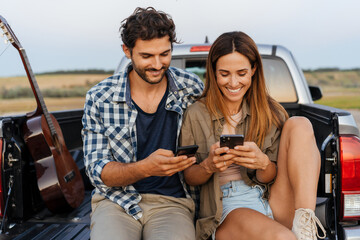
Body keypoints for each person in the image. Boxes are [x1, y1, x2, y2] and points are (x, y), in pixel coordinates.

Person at [180, 31, 326, 240]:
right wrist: (209, 166)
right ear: (213, 72)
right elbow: (189, 176)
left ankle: (306, 225)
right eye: (224, 74)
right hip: (228, 207)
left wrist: (263, 163)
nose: (233, 82)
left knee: (300, 123)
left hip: (271, 197)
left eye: (241, 73)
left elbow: (272, 175)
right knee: (283, 238)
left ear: (253, 70)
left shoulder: (270, 111)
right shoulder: (196, 113)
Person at [82, 7, 204, 240]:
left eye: (165, 54)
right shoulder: (99, 97)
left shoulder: (192, 87)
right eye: (147, 56)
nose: (158, 64)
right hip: (115, 201)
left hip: (173, 203)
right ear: (127, 51)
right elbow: (97, 170)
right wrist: (145, 168)